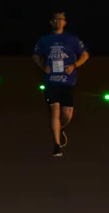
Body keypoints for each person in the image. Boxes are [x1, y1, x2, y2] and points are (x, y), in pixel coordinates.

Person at [32, 11, 90, 156]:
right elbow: (35, 55)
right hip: (51, 81)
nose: (58, 21)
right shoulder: (45, 40)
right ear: (51, 22)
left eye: (61, 19)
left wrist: (74, 65)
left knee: (67, 114)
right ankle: (57, 145)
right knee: (55, 110)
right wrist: (42, 66)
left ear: (65, 22)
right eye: (55, 19)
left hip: (67, 81)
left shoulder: (72, 39)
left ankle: (60, 129)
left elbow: (85, 55)